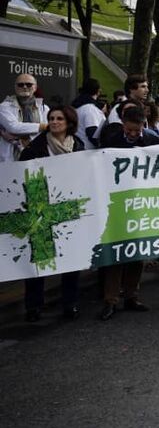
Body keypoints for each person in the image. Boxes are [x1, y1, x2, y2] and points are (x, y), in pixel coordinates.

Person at [19, 105, 84, 322]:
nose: (54, 122)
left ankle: (70, 303)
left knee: (71, 258)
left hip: (68, 207)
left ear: (69, 123)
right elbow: (23, 175)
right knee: (40, 257)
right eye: (51, 118)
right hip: (41, 207)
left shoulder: (79, 146)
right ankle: (34, 306)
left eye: (59, 119)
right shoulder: (34, 149)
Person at [98, 106, 159, 320]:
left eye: (137, 130)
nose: (133, 134)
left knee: (136, 252)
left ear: (144, 124)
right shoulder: (112, 140)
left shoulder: (153, 140)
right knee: (116, 254)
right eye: (130, 130)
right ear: (123, 124)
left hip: (142, 202)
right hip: (116, 202)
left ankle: (132, 296)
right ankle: (110, 300)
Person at [0, 73, 50, 162]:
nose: (25, 87)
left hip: (37, 156)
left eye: (29, 84)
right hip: (11, 158)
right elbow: (13, 127)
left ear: (35, 87)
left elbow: (47, 133)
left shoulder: (44, 108)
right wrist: (42, 127)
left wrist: (19, 140)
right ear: (15, 87)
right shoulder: (4, 106)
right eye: (20, 84)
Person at [72, 78, 105, 150]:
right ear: (98, 91)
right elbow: (92, 133)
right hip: (88, 151)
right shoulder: (90, 109)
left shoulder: (77, 106)